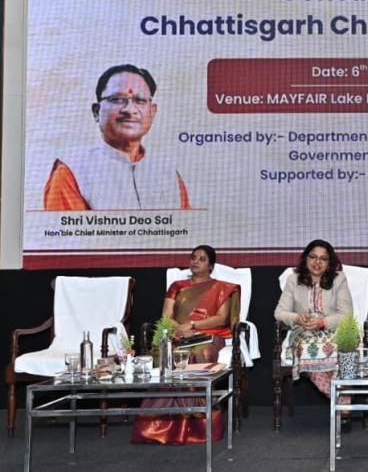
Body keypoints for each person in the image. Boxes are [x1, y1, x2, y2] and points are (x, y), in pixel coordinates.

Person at [43, 64, 190, 210]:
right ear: (97, 111)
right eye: (117, 99)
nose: (130, 110)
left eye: (140, 100)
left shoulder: (169, 175)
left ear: (152, 112)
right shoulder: (72, 172)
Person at [132, 244, 239, 444]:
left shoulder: (222, 288)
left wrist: (193, 325)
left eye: (202, 259)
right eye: (193, 257)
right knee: (166, 354)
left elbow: (221, 318)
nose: (196, 262)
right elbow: (166, 316)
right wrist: (180, 328)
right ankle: (160, 425)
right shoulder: (177, 286)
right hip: (178, 334)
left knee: (201, 352)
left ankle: (198, 424)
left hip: (208, 335)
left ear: (211, 266)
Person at [274, 240, 353, 405]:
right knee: (309, 350)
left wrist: (323, 322)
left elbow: (347, 315)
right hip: (304, 332)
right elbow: (279, 313)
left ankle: (341, 402)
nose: (317, 262)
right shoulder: (294, 279)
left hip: (334, 329)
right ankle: (343, 402)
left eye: (323, 259)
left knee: (346, 346)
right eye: (313, 257)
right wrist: (297, 318)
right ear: (305, 258)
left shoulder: (339, 279)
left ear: (329, 263)